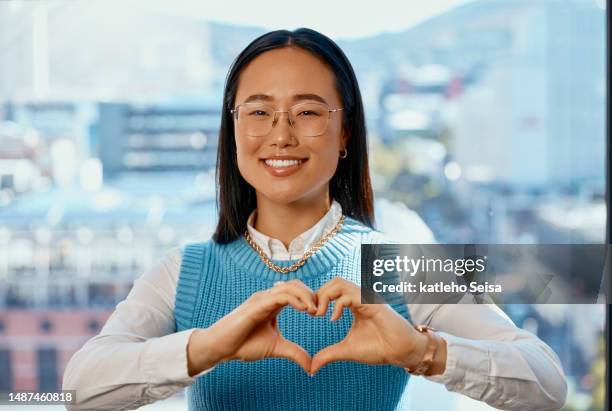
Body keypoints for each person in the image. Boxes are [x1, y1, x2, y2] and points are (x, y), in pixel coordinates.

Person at [62, 28, 567, 411]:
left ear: (345, 131)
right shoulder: (182, 271)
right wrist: (207, 346)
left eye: (306, 112)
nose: (280, 135)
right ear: (232, 128)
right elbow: (75, 390)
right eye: (258, 112)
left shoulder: (403, 263)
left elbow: (548, 382)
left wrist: (423, 352)